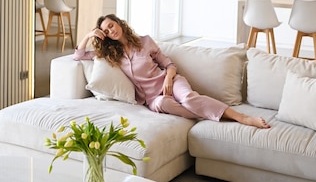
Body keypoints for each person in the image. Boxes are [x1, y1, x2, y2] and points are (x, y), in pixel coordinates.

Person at [74, 14, 271, 129]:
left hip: (171, 82)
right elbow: (79, 55)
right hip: (152, 99)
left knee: (189, 98)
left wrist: (169, 78)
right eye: (106, 31)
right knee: (162, 104)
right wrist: (90, 35)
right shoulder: (112, 56)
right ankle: (210, 112)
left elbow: (169, 65)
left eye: (111, 25)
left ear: (119, 23)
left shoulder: (145, 41)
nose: (111, 31)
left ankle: (242, 118)